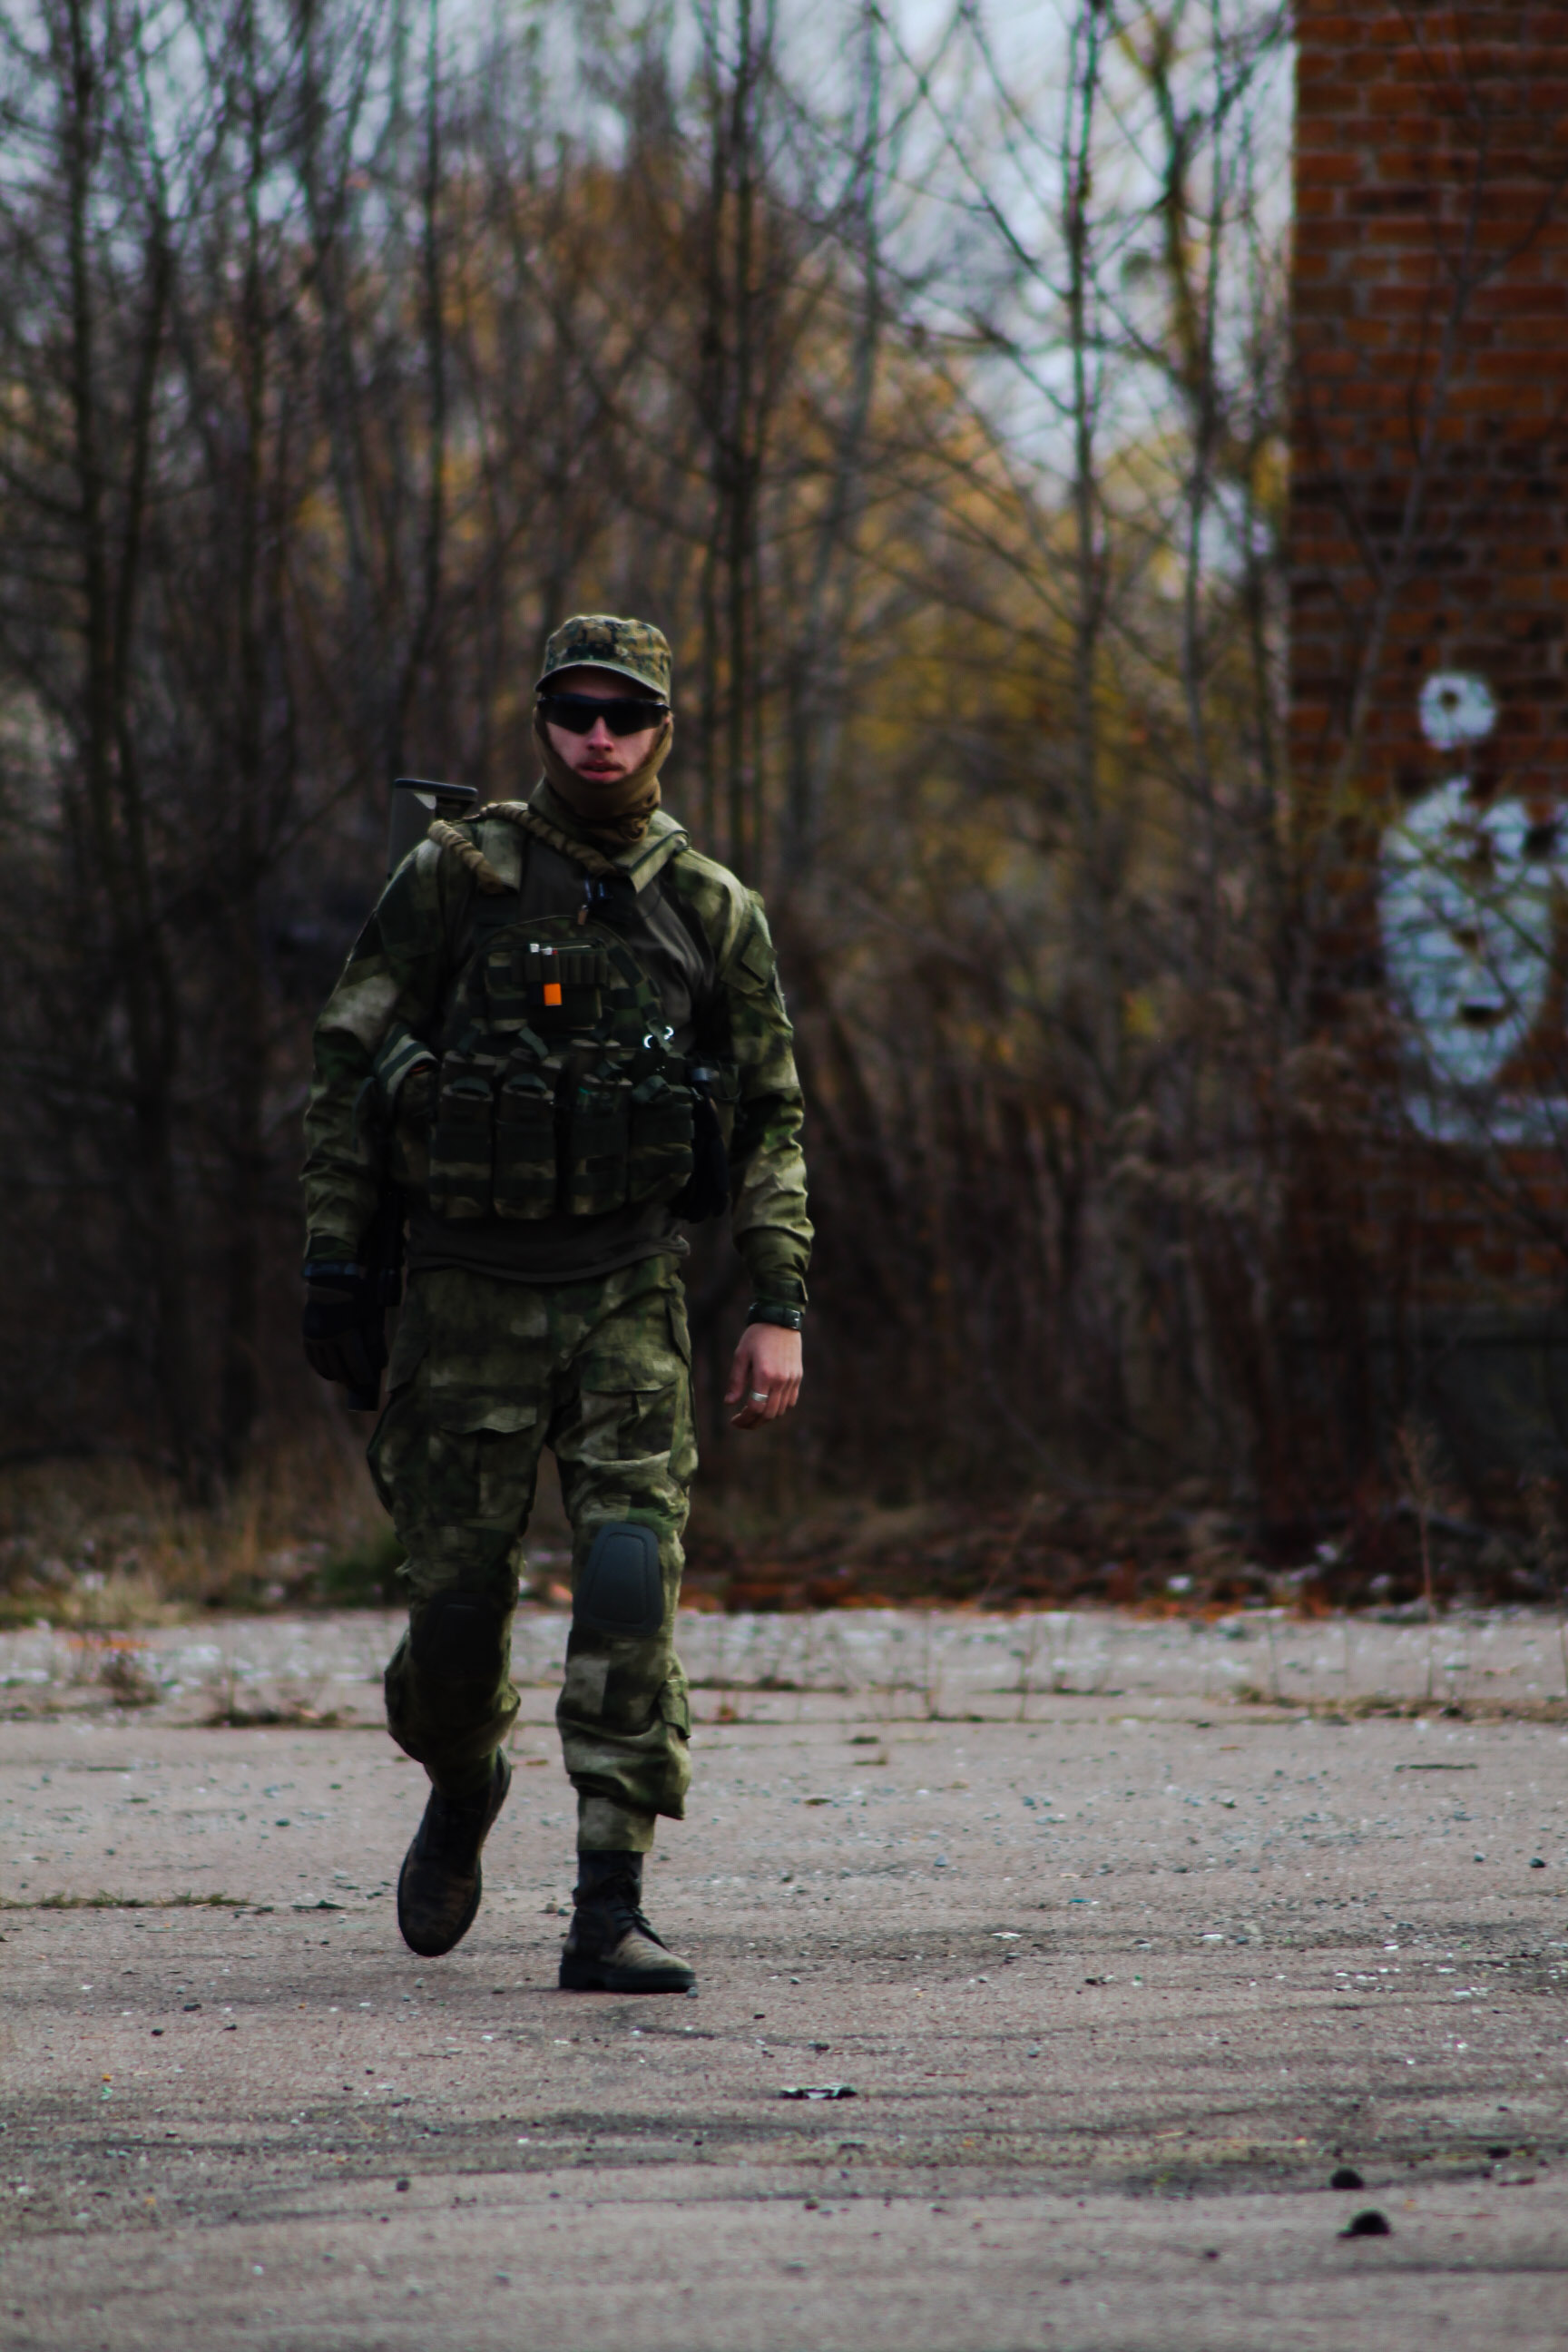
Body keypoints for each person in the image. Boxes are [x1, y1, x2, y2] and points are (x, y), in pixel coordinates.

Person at [300, 614, 810, 1993]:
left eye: (624, 714)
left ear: (661, 729)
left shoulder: (708, 905)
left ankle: (608, 1906)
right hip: (463, 1293)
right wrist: (335, 1259)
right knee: (456, 1624)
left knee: (631, 1582)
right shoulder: (452, 878)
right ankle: (463, 1779)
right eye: (574, 711)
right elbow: (347, 1063)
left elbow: (772, 1115)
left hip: (626, 1291)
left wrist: (779, 1302)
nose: (598, 736)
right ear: (541, 721)